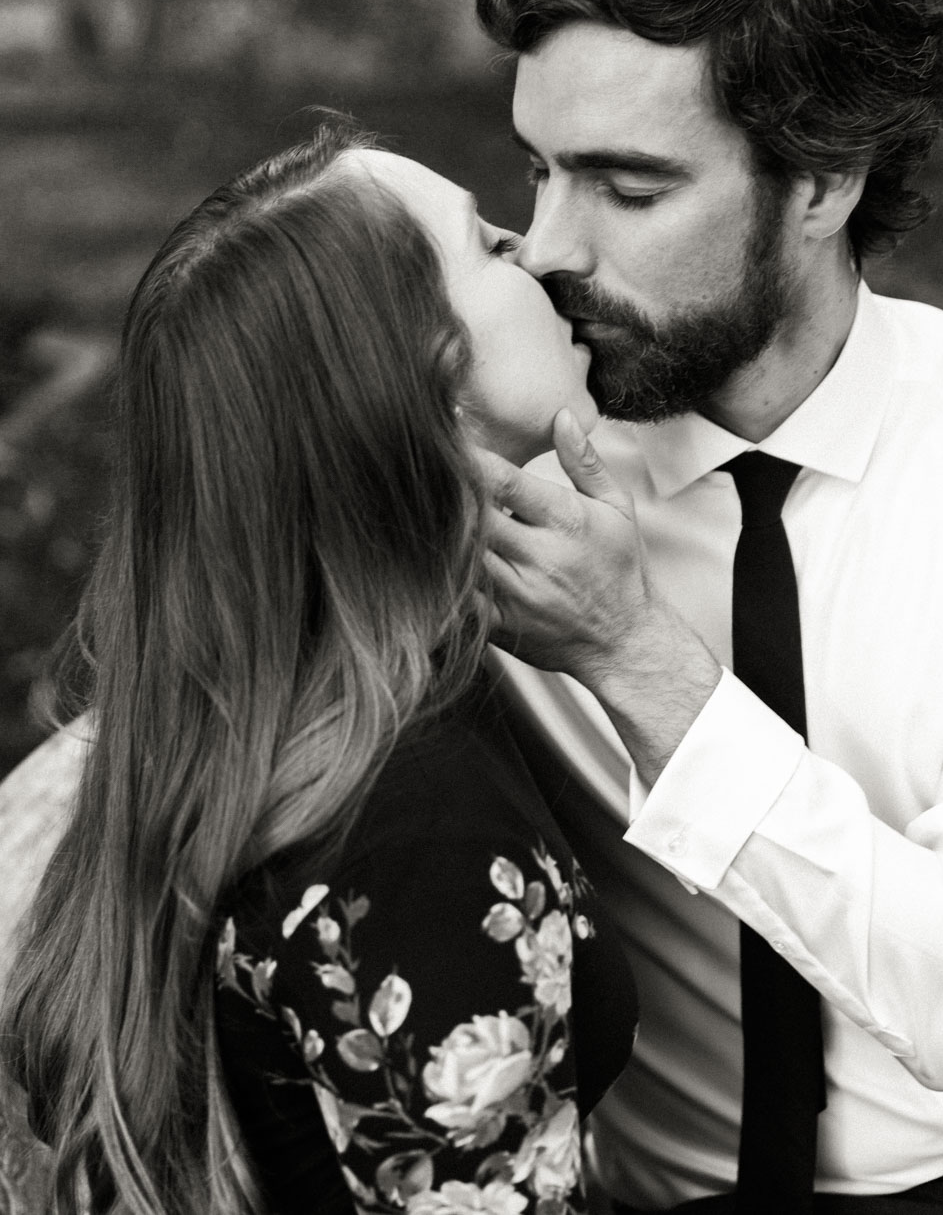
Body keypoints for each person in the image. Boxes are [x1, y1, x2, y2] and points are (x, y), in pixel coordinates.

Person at [473, 0, 943, 1211]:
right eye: (538, 170)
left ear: (824, 181)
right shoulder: (508, 475)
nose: (553, 248)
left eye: (628, 187)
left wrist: (634, 658)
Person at [0, 118, 638, 1215]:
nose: (537, 256)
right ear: (425, 376)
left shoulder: (237, 717)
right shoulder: (418, 827)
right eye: (489, 245)